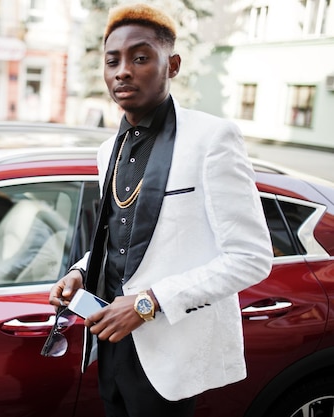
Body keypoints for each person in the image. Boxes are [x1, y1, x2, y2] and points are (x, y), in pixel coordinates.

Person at [48, 4, 273, 417]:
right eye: (112, 60)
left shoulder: (212, 138)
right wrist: (81, 271)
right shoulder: (106, 150)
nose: (122, 71)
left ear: (172, 64)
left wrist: (147, 303)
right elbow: (122, 238)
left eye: (140, 57)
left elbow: (252, 258)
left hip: (171, 352)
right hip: (109, 343)